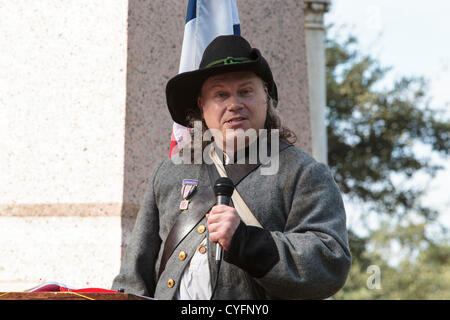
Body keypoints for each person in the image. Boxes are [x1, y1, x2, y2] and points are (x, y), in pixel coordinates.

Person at [112, 35, 351, 299]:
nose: (234, 104)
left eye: (246, 91)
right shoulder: (169, 173)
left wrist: (245, 242)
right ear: (202, 106)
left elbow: (330, 261)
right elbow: (133, 277)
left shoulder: (304, 172)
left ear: (265, 96)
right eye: (220, 94)